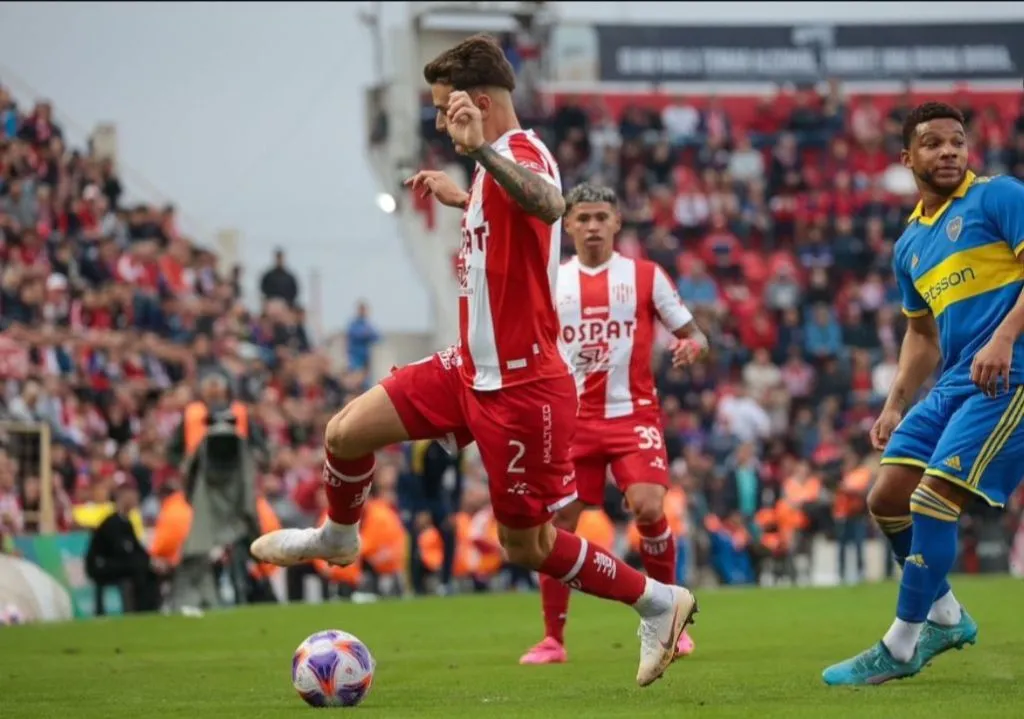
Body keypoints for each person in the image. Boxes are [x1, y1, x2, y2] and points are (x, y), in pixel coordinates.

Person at [250, 34, 696, 687]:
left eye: (444, 106)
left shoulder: (518, 151)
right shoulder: (489, 171)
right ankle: (338, 537)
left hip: (523, 389)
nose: (437, 120)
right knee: (344, 432)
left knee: (530, 547)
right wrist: (464, 192)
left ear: (478, 102)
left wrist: (479, 151)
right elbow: (515, 227)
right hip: (467, 369)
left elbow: (549, 205)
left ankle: (659, 602)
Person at [823, 102, 1024, 685]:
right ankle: (946, 614)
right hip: (958, 376)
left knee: (933, 499)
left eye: (957, 142)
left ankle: (902, 644)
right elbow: (919, 333)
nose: (948, 153)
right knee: (886, 496)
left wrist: (1006, 337)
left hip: (1011, 372)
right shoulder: (910, 243)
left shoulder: (1000, 196)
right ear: (906, 158)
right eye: (933, 144)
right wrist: (894, 401)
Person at [519, 183, 707, 665]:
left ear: (617, 222)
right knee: (557, 524)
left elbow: (694, 334)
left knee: (647, 506)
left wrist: (691, 346)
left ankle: (669, 618)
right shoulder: (552, 281)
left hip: (632, 415)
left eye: (602, 217)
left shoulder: (645, 276)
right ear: (568, 224)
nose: (593, 226)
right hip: (570, 421)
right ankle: (553, 639)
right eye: (582, 218)